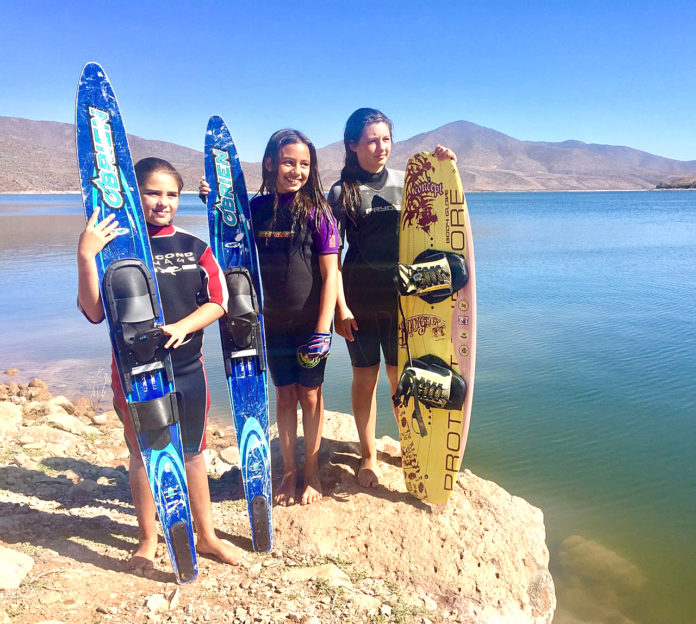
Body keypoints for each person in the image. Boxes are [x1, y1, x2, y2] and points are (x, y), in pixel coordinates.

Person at [77, 157, 239, 571]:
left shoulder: (193, 246)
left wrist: (185, 325)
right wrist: (84, 254)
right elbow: (94, 313)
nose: (162, 202)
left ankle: (207, 537)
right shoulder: (116, 246)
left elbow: (219, 301)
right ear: (135, 193)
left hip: (188, 369)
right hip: (135, 374)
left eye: (171, 194)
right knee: (143, 455)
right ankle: (148, 539)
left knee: (193, 454)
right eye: (153, 192)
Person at [200, 129, 338, 506]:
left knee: (310, 395)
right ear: (270, 164)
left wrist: (324, 328)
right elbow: (226, 234)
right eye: (289, 162)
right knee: (284, 395)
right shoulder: (256, 208)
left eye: (305, 164)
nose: (297, 170)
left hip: (311, 325)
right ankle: (288, 473)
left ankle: (311, 473)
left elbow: (331, 276)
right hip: (271, 323)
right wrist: (210, 198)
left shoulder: (319, 212)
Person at [328, 108, 456, 488]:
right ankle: (368, 455)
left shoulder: (408, 184)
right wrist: (341, 308)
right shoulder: (341, 192)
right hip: (360, 301)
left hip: (406, 300)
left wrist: (447, 167)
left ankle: (411, 446)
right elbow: (331, 260)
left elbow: (445, 212)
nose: (380, 147)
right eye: (371, 139)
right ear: (352, 145)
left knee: (402, 380)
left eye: (386, 138)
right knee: (364, 378)